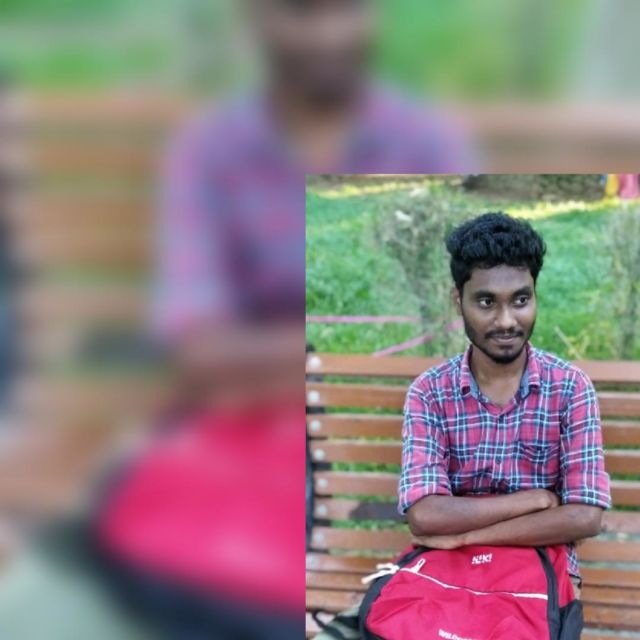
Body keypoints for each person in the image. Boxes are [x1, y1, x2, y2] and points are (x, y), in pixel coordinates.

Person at [317, 212, 610, 639]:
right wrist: (533, 500)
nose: (506, 321)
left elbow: (585, 516)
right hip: (442, 575)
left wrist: (465, 535)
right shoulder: (430, 392)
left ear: (535, 295)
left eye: (521, 300)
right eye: (486, 302)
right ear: (459, 300)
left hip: (538, 582)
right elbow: (425, 515)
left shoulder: (569, 388)